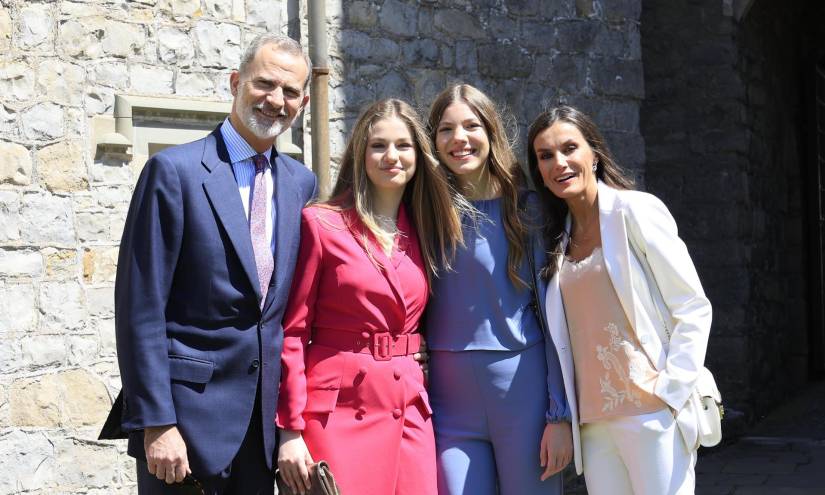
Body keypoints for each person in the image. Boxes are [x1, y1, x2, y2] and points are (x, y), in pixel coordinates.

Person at [103, 33, 316, 494]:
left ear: (303, 102)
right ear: (236, 82)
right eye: (264, 84)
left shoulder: (302, 183)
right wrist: (156, 422)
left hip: (261, 435)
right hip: (184, 428)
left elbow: (297, 311)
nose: (276, 100)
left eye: (291, 91)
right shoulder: (174, 172)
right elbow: (140, 309)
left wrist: (289, 424)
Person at [275, 98, 466, 495]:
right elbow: (292, 333)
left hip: (409, 407)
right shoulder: (322, 223)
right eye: (378, 145)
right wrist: (289, 429)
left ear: (419, 156)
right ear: (361, 153)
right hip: (338, 411)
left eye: (403, 145)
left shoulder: (427, 229)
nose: (391, 156)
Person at [526, 105, 713, 495]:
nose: (559, 162)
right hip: (593, 425)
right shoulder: (555, 241)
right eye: (546, 156)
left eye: (569, 148)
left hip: (651, 411)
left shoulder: (635, 211)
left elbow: (692, 305)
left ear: (593, 153)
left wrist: (671, 392)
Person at [424, 83, 572, 495]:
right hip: (449, 402)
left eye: (471, 125)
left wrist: (558, 415)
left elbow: (553, 315)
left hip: (521, 395)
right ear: (433, 140)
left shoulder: (527, 209)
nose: (460, 139)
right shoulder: (423, 211)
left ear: (490, 132)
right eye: (446, 129)